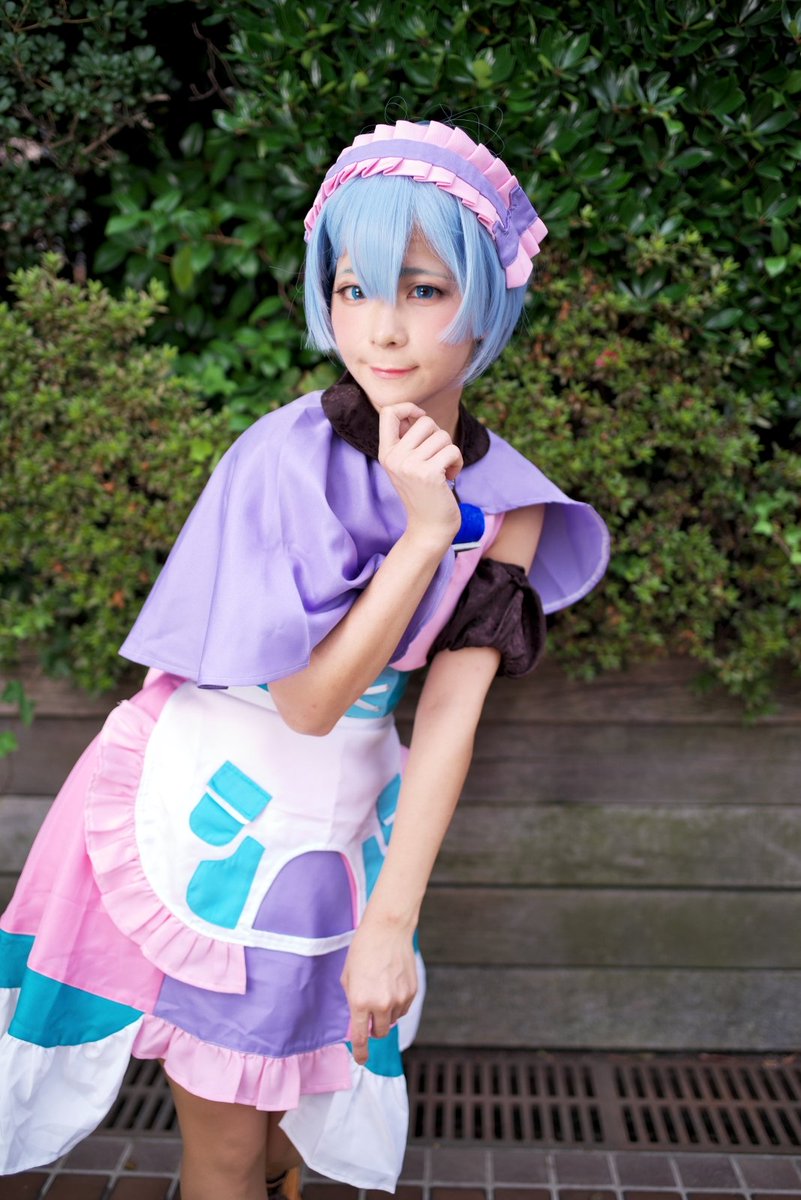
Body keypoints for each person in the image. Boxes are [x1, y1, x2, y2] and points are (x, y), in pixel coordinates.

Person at [0, 119, 610, 1199]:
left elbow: (449, 718)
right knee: (230, 1146)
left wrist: (391, 922)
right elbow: (311, 702)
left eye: (424, 289)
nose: (382, 328)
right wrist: (425, 535)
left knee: (290, 1129)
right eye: (352, 288)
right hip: (213, 799)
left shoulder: (510, 500)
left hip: (343, 828)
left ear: (488, 300)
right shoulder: (282, 460)